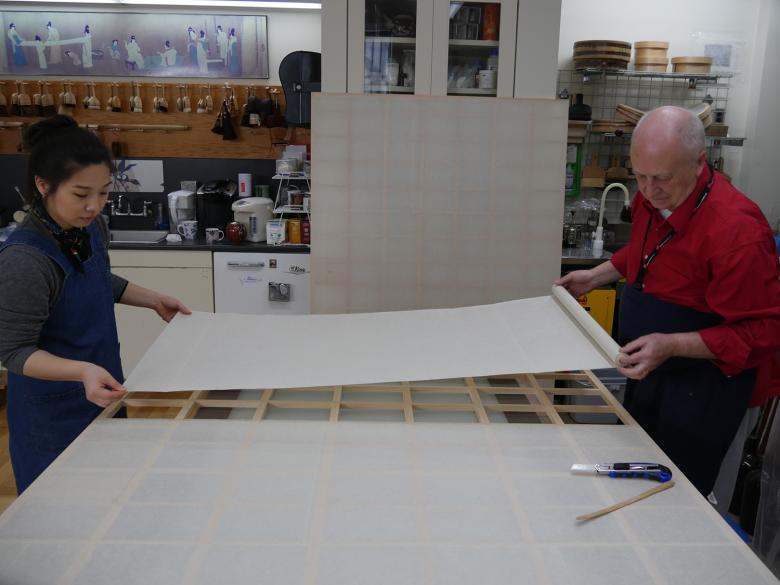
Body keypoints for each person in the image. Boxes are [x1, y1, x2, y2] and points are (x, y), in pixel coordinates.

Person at [556, 106, 780, 497]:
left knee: (691, 500)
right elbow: (647, 252)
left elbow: (761, 332)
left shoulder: (738, 232)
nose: (648, 189)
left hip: (710, 389)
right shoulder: (652, 197)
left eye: (660, 178)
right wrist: (597, 275)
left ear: (699, 162)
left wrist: (674, 344)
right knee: (644, 483)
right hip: (656, 374)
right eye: (639, 175)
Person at [0, 116, 191, 494]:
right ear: (43, 185)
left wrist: (152, 299)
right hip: (51, 413)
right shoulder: (24, 259)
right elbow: (13, 352)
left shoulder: (89, 228)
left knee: (109, 494)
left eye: (103, 192)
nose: (93, 206)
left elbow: (97, 280)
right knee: (57, 511)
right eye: (80, 194)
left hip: (102, 391)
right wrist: (82, 371)